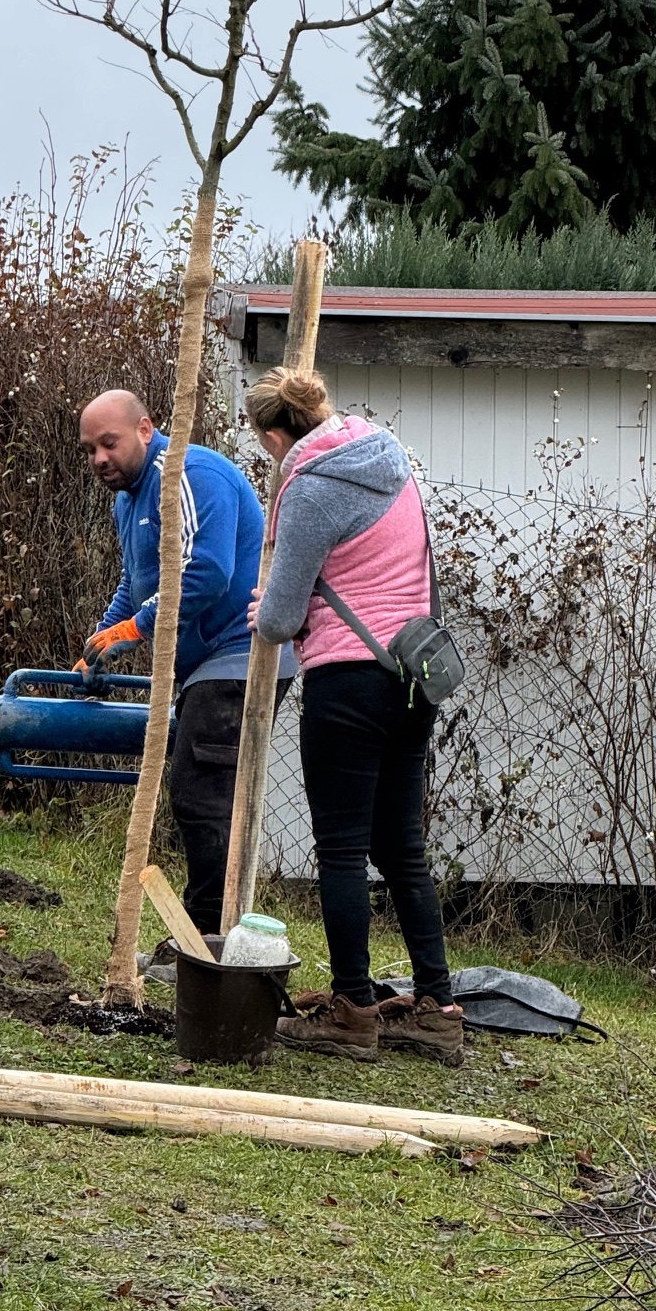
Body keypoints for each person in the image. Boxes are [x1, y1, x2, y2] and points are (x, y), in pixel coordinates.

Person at [246, 366, 464, 1067]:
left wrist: (268, 614)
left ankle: (351, 1010)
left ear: (276, 434)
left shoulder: (310, 487)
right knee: (402, 849)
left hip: (349, 681)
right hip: (414, 675)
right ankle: (436, 1006)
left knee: (341, 850)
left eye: (265, 448)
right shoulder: (388, 456)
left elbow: (279, 616)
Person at [77, 389, 295, 937]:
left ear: (146, 430)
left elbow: (208, 571)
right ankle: (207, 935)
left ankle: (209, 938)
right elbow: (137, 582)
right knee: (200, 792)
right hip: (204, 664)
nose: (100, 459)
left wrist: (137, 629)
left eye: (110, 443)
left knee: (202, 793)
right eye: (89, 450)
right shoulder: (127, 500)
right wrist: (106, 637)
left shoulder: (191, 476)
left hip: (242, 653)